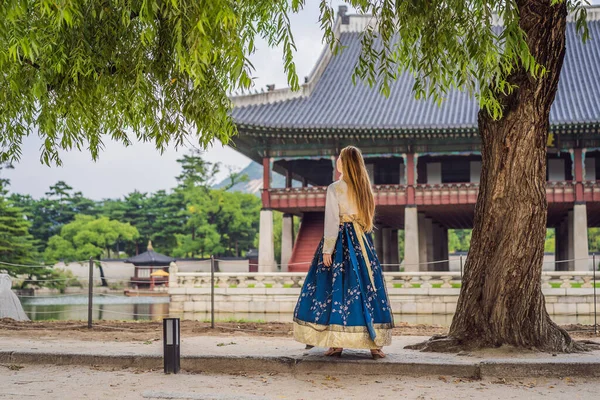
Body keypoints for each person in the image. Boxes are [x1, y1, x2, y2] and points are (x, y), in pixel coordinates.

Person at [292, 146, 394, 359]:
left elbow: (331, 221)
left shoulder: (335, 188)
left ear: (345, 162)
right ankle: (375, 345)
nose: (337, 160)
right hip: (362, 241)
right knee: (366, 287)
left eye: (340, 158)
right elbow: (367, 220)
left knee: (335, 287)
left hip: (340, 241)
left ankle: (336, 343)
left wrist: (327, 250)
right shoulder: (364, 189)